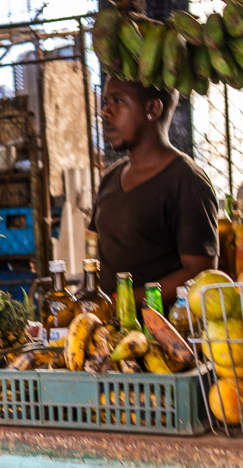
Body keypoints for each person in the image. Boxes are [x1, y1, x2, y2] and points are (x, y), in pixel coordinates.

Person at [91, 75, 219, 306]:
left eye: (118, 101)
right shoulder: (109, 178)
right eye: (106, 102)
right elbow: (103, 260)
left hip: (162, 332)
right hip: (109, 328)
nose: (105, 113)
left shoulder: (186, 181)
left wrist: (124, 302)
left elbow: (200, 273)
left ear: (152, 109)